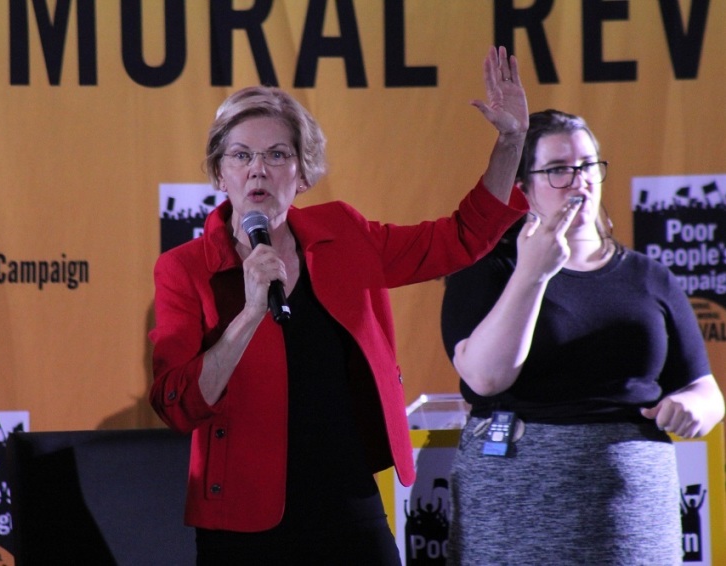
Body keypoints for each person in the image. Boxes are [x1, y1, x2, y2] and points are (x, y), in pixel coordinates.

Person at [149, 45, 529, 565]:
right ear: (220, 174)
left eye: (277, 154)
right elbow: (176, 405)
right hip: (241, 516)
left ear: (301, 174)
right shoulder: (184, 269)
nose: (258, 170)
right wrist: (249, 315)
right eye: (241, 155)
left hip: (347, 502)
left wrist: (511, 143)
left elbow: (459, 239)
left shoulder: (344, 235)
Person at [441, 109, 725, 564]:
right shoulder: (488, 269)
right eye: (558, 170)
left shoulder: (648, 277)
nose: (580, 181)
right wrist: (532, 272)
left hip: (633, 513)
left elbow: (704, 387)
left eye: (589, 165)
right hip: (517, 505)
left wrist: (694, 408)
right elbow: (485, 378)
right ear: (523, 189)